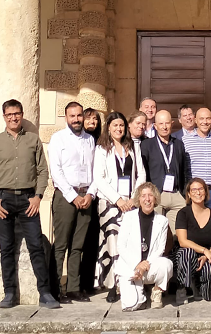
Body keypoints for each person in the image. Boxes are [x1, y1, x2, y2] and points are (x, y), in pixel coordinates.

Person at [0, 99, 60, 309]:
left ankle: (45, 292)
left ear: (21, 114)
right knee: (6, 248)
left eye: (17, 114)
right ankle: (9, 293)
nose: (14, 118)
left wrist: (38, 196)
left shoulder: (33, 140)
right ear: (4, 117)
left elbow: (42, 171)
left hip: (27, 200)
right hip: (2, 200)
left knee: (36, 246)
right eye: (9, 115)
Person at [91, 111, 146, 303]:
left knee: (131, 242)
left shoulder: (132, 147)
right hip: (110, 203)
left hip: (131, 203)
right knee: (113, 240)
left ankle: (130, 280)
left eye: (121, 125)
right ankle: (114, 284)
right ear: (108, 127)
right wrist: (117, 200)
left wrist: (132, 198)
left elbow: (141, 175)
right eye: (115, 125)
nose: (119, 129)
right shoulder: (101, 149)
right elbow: (99, 178)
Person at [49, 102, 97, 303]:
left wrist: (90, 194)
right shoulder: (57, 139)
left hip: (86, 196)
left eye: (79, 116)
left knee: (78, 246)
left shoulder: (90, 140)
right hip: (66, 197)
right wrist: (73, 196)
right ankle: (54, 289)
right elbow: (56, 171)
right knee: (61, 244)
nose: (76, 119)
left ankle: (74, 288)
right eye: (72, 116)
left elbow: (95, 170)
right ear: (66, 117)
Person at [115, 182, 173, 312]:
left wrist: (145, 264)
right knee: (132, 305)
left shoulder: (162, 220)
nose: (147, 199)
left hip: (149, 266)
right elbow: (121, 246)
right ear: (138, 199)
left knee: (166, 264)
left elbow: (160, 249)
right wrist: (137, 264)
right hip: (131, 267)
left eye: (150, 196)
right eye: (143, 196)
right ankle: (131, 289)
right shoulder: (128, 217)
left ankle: (157, 292)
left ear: (155, 198)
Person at [174, 179, 211, 304]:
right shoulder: (183, 213)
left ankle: (201, 287)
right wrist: (205, 251)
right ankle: (182, 287)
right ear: (189, 194)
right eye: (194, 190)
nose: (198, 192)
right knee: (188, 253)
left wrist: (206, 256)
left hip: (205, 256)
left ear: (206, 192)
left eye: (201, 189)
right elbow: (182, 241)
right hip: (185, 256)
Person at [142, 110, 191, 232]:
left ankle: (173, 251)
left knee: (176, 234)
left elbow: (184, 169)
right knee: (156, 231)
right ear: (155, 126)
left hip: (176, 194)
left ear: (172, 124)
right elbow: (144, 171)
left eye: (167, 123)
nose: (164, 127)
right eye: (161, 123)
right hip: (157, 194)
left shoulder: (179, 144)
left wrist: (184, 193)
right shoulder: (147, 145)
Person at [181, 107, 211, 214]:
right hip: (193, 192)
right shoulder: (185, 140)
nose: (205, 122)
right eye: (201, 119)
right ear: (195, 120)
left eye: (208, 119)